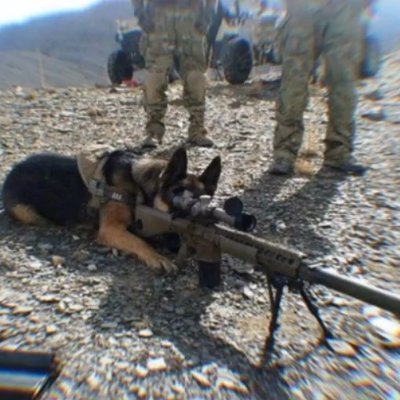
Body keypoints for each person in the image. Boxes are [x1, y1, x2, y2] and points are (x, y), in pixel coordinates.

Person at [269, 0, 370, 176]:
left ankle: (339, 154)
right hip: (303, 9)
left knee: (344, 86)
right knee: (293, 86)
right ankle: (284, 153)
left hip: (345, 10)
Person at [132, 0, 216, 148]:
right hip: (159, 19)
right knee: (155, 78)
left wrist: (207, 16)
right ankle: (153, 131)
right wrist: (141, 16)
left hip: (191, 18)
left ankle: (197, 130)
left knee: (196, 77)